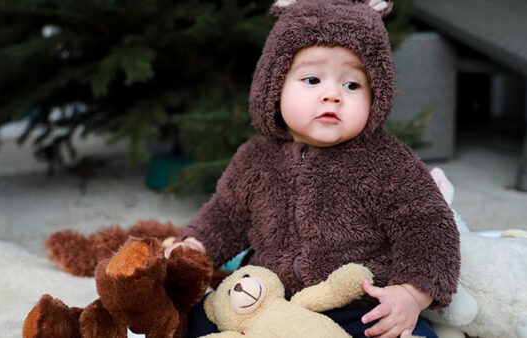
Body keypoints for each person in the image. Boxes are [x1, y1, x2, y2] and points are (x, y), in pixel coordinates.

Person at [167, 0, 460, 337]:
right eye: (312, 79)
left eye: (352, 85)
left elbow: (428, 228)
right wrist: (196, 246)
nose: (332, 95)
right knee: (192, 321)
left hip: (356, 305)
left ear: (376, 95)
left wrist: (410, 294)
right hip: (271, 300)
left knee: (404, 331)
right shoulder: (256, 158)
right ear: (274, 86)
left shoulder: (387, 162)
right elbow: (226, 214)